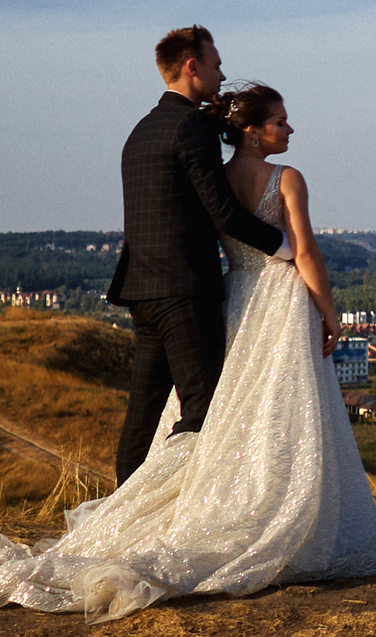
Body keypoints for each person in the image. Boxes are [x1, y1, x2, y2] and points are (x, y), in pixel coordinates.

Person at [0, 80, 376, 622]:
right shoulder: (287, 179)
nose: (290, 128)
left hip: (233, 298)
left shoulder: (219, 179)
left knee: (231, 409)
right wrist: (328, 309)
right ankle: (275, 519)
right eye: (280, 121)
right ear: (251, 132)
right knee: (282, 417)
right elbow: (305, 250)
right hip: (278, 298)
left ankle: (203, 507)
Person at [103, 25, 289, 485]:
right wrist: (284, 248)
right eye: (216, 63)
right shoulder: (191, 127)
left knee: (142, 416)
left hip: (142, 290)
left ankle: (121, 517)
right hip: (184, 290)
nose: (222, 74)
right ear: (193, 66)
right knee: (203, 409)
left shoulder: (141, 130)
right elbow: (223, 212)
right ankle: (168, 513)